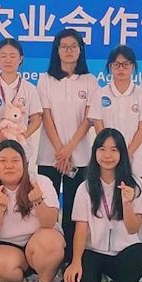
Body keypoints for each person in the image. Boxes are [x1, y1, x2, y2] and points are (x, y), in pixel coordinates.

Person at [63, 128, 142, 282]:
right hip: (95, 252)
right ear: (95, 152)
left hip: (123, 253)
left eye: (114, 150)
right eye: (102, 149)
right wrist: (75, 261)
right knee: (72, 281)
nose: (107, 155)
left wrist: (127, 204)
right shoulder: (85, 187)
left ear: (122, 153)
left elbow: (133, 228)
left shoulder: (135, 184)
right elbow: (81, 229)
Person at [0, 140, 65, 282]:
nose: (9, 166)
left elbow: (49, 222)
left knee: (50, 243)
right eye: (2, 161)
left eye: (15, 160)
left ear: (24, 163)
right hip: (8, 247)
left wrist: (38, 201)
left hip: (39, 243)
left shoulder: (41, 182)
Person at [36, 29, 97, 262]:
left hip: (79, 156)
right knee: (47, 209)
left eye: (73, 46)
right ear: (57, 50)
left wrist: (69, 149)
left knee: (74, 209)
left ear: (80, 50)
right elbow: (45, 116)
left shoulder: (90, 81)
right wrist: (60, 151)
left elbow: (88, 120)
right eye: (64, 46)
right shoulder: (45, 79)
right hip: (49, 155)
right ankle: (47, 258)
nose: (69, 50)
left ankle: (72, 260)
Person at [89, 45, 142, 183]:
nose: (121, 68)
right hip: (107, 158)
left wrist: (126, 154)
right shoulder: (100, 94)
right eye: (116, 64)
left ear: (133, 67)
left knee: (134, 194)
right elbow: (99, 128)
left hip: (134, 159)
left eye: (126, 64)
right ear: (110, 67)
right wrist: (112, 152)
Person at [0, 38, 42, 179]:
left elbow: (36, 119)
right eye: (3, 56)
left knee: (18, 191)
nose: (8, 60)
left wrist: (20, 136)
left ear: (21, 59)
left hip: (19, 152)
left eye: (13, 56)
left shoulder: (29, 88)